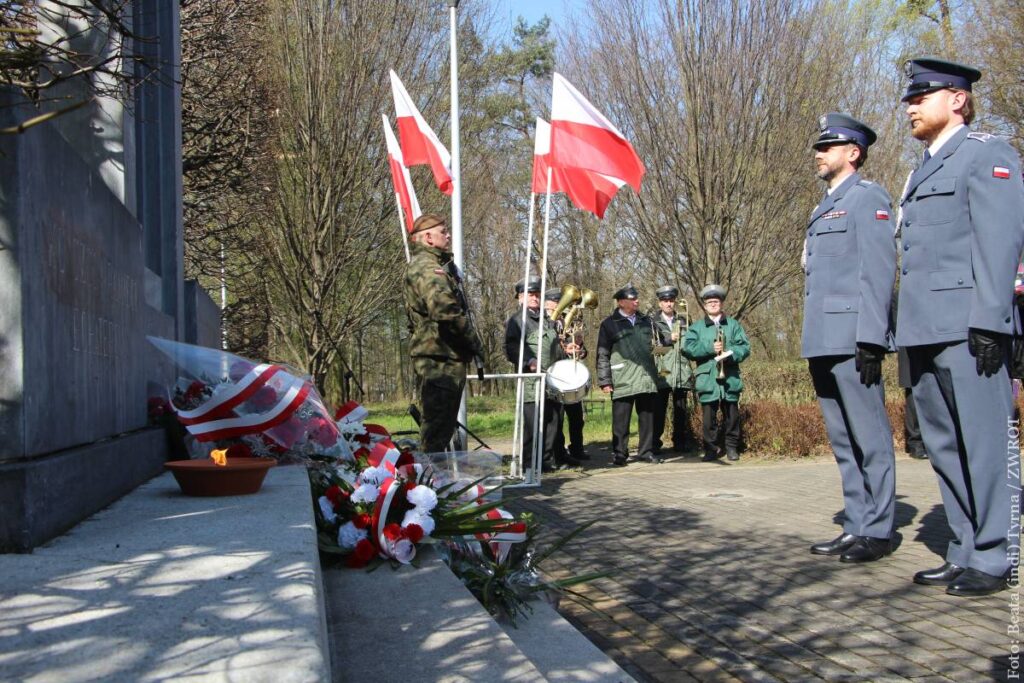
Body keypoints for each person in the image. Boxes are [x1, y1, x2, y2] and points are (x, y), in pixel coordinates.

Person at [897, 58, 1024, 596]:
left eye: (922, 95)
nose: (910, 105)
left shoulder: (986, 153)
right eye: (909, 97)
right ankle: (965, 547)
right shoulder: (923, 168)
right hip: (923, 329)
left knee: (985, 444)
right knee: (946, 449)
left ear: (957, 99)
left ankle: (996, 555)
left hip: (968, 329)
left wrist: (992, 322)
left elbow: (1000, 242)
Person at [801, 113, 898, 564]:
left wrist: (872, 338)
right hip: (822, 339)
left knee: (870, 437)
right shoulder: (822, 209)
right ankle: (856, 523)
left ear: (853, 152)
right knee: (843, 441)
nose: (818, 154)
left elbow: (877, 273)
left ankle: (878, 530)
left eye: (827, 147)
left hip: (854, 341)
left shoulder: (867, 198)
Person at [404, 213, 484, 453]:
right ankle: (430, 486)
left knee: (439, 431)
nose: (448, 236)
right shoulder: (428, 269)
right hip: (439, 359)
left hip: (440, 355)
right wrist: (474, 343)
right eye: (443, 231)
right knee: (436, 434)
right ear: (428, 237)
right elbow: (446, 313)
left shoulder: (431, 267)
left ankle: (433, 484)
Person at [504, 278, 572, 472]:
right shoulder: (517, 320)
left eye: (537, 294)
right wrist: (528, 361)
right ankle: (529, 463)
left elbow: (553, 347)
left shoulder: (547, 320)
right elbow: (511, 347)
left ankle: (547, 460)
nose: (535, 298)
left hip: (552, 378)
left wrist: (566, 350)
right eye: (530, 294)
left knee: (553, 421)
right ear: (520, 297)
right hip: (532, 380)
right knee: (533, 424)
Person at [683, 285, 750, 462]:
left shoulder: (734, 325)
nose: (713, 304)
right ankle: (711, 449)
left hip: (730, 376)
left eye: (716, 301)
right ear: (704, 305)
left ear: (721, 303)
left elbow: (744, 347)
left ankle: (731, 448)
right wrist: (709, 348)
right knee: (708, 418)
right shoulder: (696, 327)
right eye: (709, 302)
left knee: (732, 416)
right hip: (707, 378)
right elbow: (687, 348)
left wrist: (730, 354)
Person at [596, 284, 661, 466]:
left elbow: (660, 343)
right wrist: (604, 380)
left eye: (637, 298)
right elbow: (602, 354)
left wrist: (667, 341)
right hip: (622, 378)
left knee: (647, 417)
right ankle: (620, 454)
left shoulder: (647, 321)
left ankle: (646, 451)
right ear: (621, 302)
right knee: (621, 420)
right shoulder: (609, 324)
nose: (637, 301)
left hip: (646, 377)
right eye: (633, 299)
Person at [651, 286, 697, 454]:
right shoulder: (652, 321)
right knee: (659, 409)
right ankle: (655, 443)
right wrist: (669, 340)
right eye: (665, 301)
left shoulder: (684, 319)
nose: (669, 304)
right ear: (660, 303)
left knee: (681, 410)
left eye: (671, 301)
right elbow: (651, 349)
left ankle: (680, 442)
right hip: (663, 370)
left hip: (681, 369)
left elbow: (691, 343)